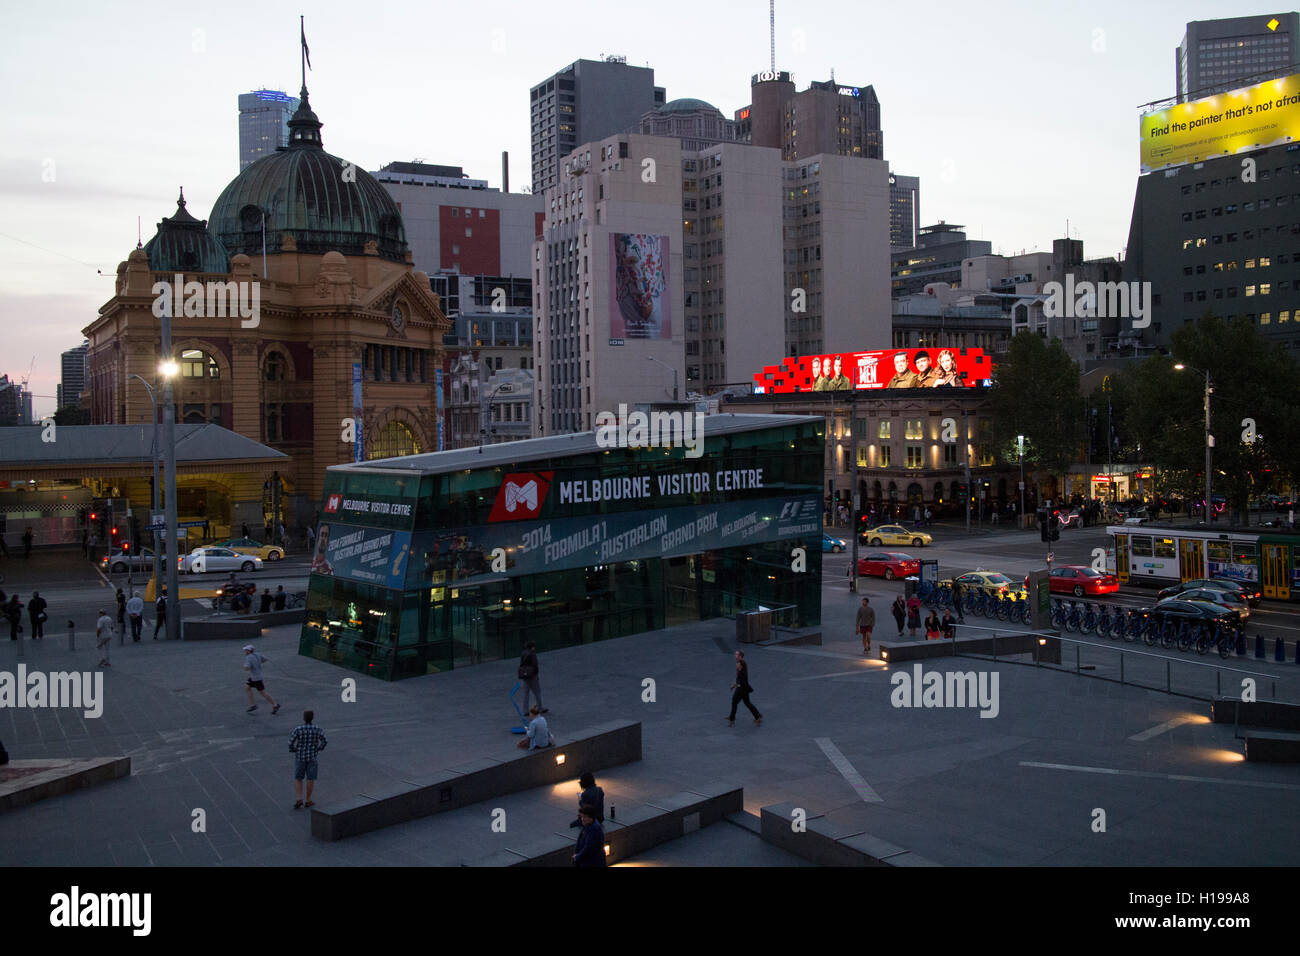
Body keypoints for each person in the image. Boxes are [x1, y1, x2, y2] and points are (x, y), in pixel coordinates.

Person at [288, 710, 327, 809]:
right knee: (310, 778)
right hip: (312, 757)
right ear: (312, 718)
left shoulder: (298, 729)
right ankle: (308, 800)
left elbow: (290, 742)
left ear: (304, 718)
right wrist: (319, 748)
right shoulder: (317, 729)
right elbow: (324, 741)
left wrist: (294, 749)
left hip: (300, 757)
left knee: (298, 778)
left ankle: (299, 799)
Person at [727, 650, 762, 726]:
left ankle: (732, 719)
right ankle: (757, 716)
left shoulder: (740, 664)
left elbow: (740, 679)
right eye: (735, 654)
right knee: (747, 703)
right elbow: (741, 677)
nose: (735, 656)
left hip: (741, 688)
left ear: (740, 656)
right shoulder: (743, 663)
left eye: (736, 654)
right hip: (745, 688)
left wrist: (734, 685)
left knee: (734, 702)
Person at [242, 644, 280, 714]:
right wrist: (258, 663)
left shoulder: (248, 657)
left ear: (249, 651)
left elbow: (247, 668)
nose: (245, 652)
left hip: (256, 678)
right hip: (256, 676)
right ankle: (253, 705)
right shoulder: (257, 654)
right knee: (247, 687)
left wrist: (244, 666)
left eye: (246, 650)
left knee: (263, 692)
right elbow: (265, 659)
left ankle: (275, 705)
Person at [517, 641, 546, 714]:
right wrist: (536, 675)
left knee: (526, 694)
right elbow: (535, 665)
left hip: (525, 675)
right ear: (532, 647)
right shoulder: (533, 654)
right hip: (532, 676)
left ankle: (525, 710)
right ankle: (540, 708)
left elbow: (521, 664)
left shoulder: (523, 653)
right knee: (537, 693)